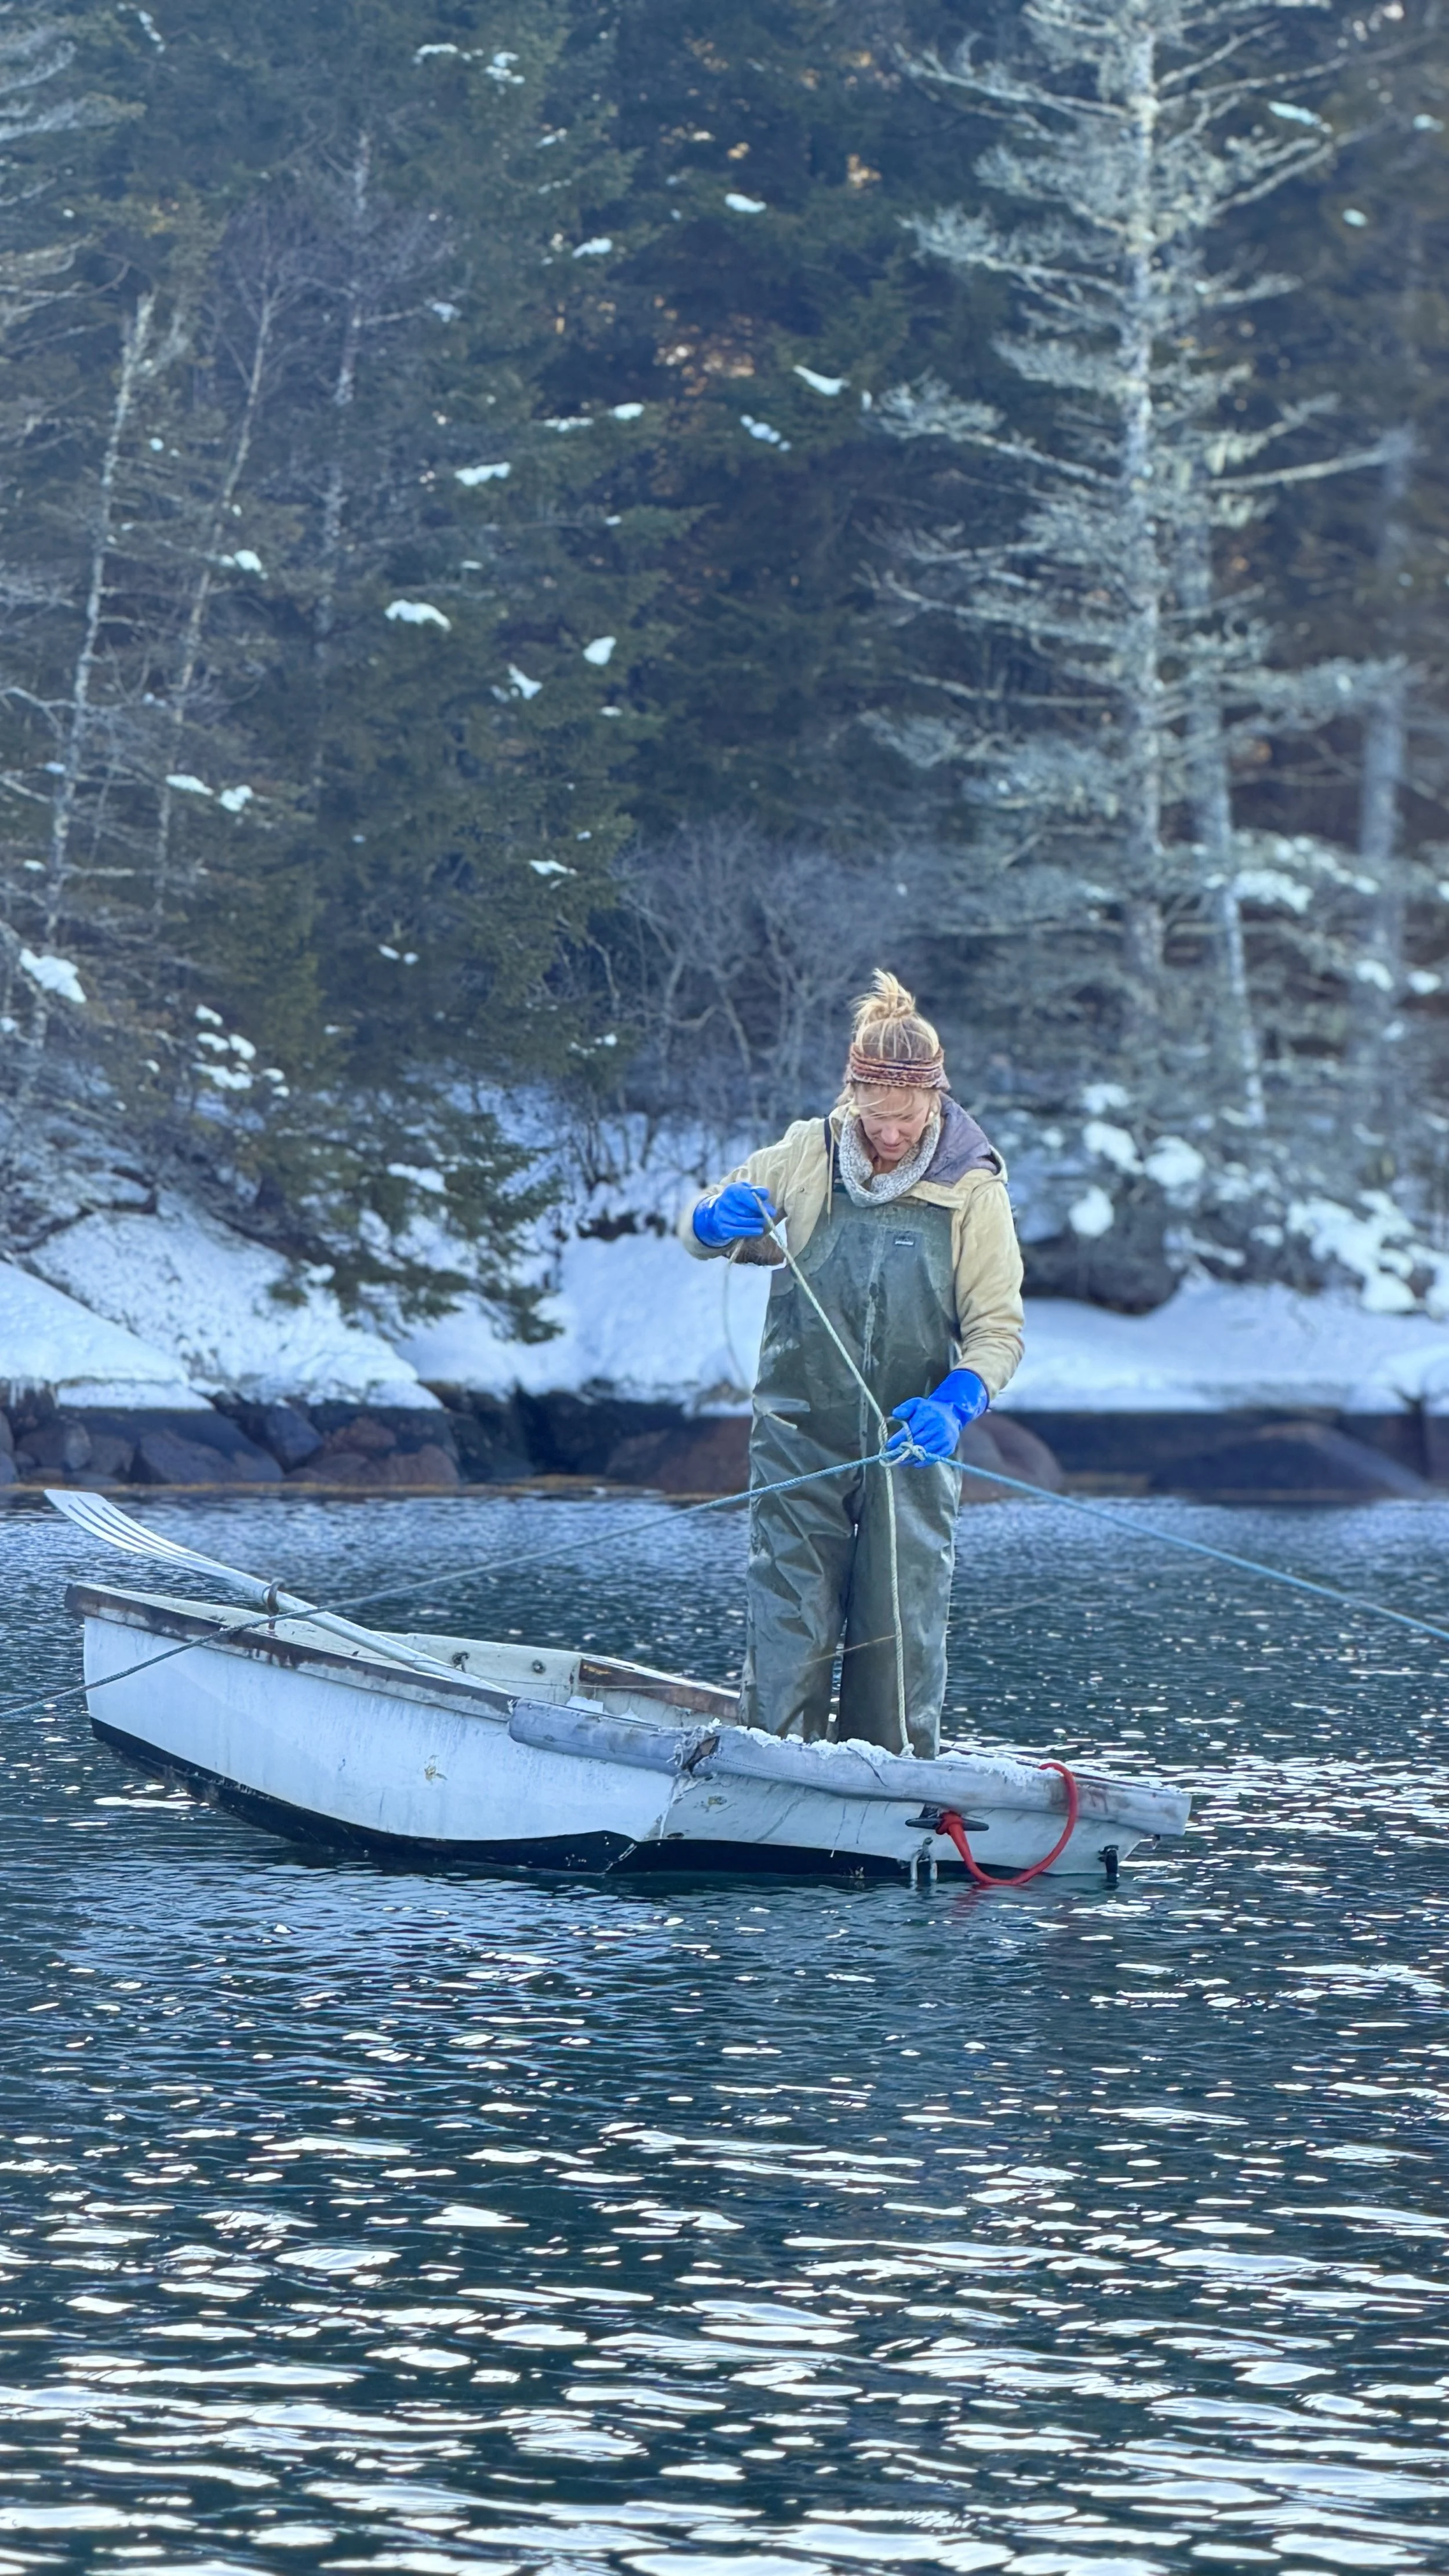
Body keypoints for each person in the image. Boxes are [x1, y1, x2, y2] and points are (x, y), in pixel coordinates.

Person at [680, 971, 1024, 1760]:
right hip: (801, 1433)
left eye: (907, 1118)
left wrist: (958, 1401)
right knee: (789, 1617)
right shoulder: (810, 1153)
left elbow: (998, 1329)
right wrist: (712, 1215)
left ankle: (893, 1785)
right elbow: (701, 1226)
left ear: (935, 1101)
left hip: (913, 1442)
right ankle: (770, 1769)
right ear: (853, 1096)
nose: (891, 1134)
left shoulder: (974, 1187)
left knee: (897, 1631)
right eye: (876, 1115)